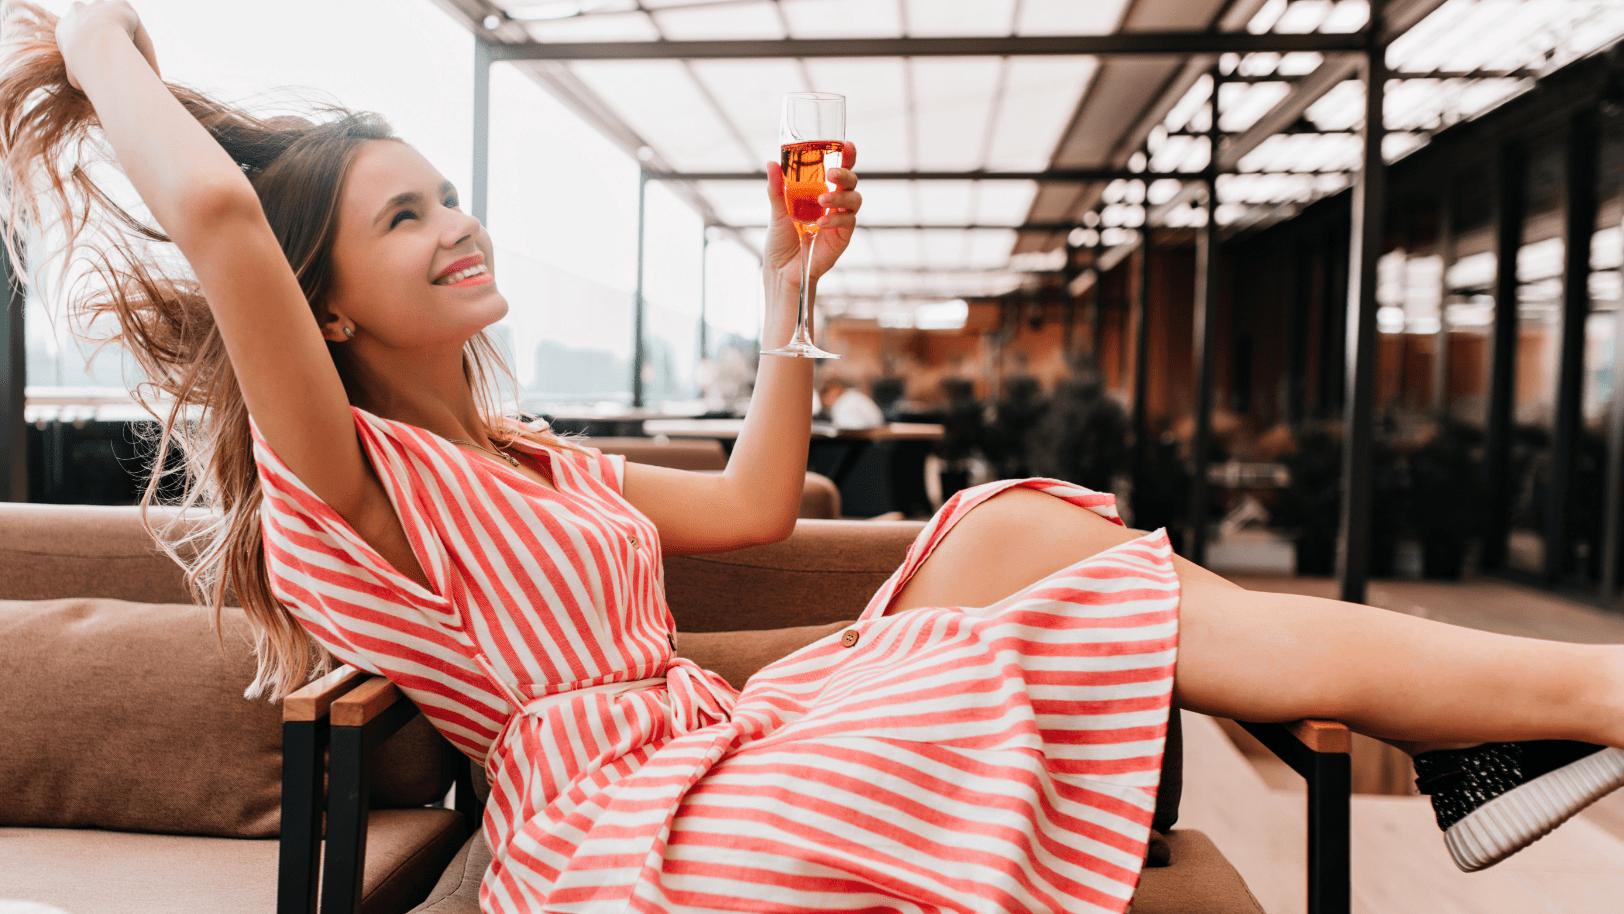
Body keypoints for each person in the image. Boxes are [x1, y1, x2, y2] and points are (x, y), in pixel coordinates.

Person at [6, 3, 1624, 910]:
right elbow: (217, 214)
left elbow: (757, 505)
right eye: (403, 215)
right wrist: (98, 49)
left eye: (450, 192)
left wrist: (792, 287)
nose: (457, 223)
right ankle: (1557, 707)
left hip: (717, 740)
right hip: (618, 833)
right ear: (326, 311)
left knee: (1003, 531)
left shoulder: (529, 451)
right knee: (1027, 616)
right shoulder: (348, 481)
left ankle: (1508, 729)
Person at [817, 374, 885, 430]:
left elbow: (849, 426)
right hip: (873, 433)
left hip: (867, 437)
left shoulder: (845, 402)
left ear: (836, 389)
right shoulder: (852, 395)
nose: (827, 399)